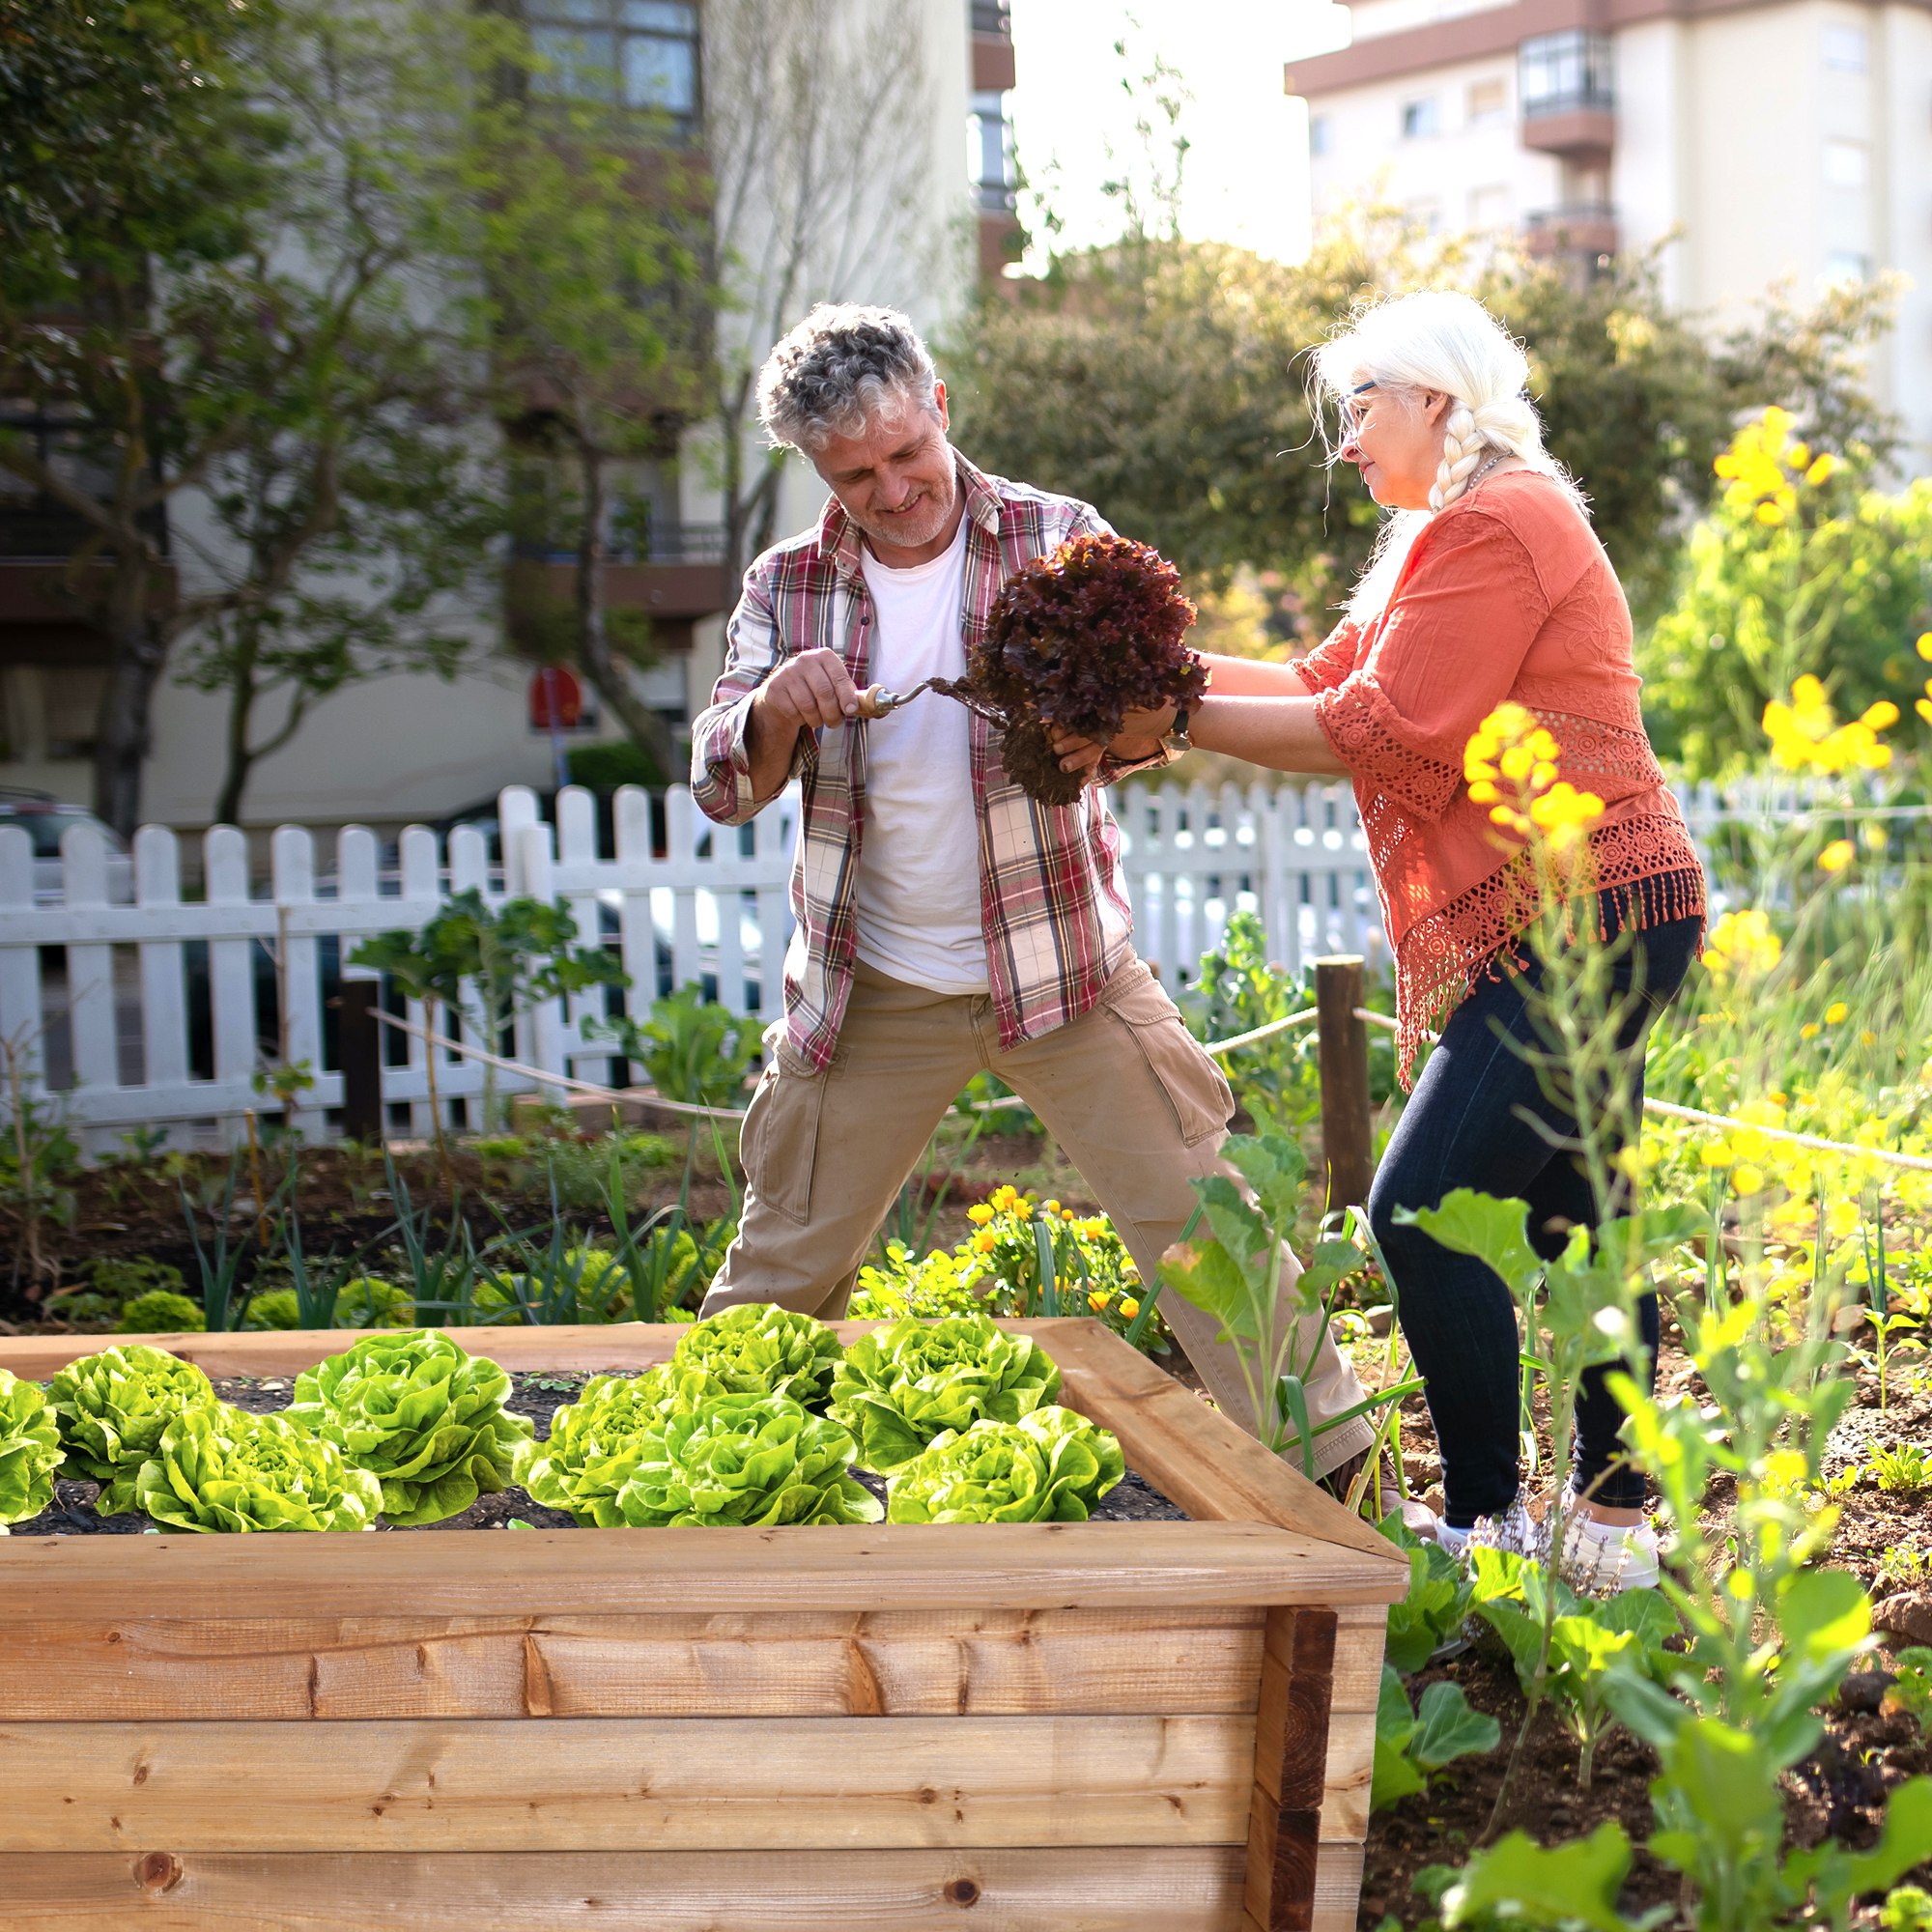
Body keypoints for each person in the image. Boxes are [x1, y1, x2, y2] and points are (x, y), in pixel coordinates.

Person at [1075, 290, 1705, 1582]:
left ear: (1432, 399)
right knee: (1588, 1217)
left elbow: (1389, 729)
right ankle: (1618, 1523)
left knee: (1417, 1215)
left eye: (1360, 409)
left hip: (1583, 920)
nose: (1346, 441)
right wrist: (1150, 673)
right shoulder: (1448, 533)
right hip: (1593, 911)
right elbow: (1324, 687)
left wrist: (1167, 719)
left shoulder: (1504, 519)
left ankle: (1490, 1520)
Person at [687, 301, 1376, 1480]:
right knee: (779, 1274)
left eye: (905, 454)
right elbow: (721, 782)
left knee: (1211, 1239)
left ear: (939, 407)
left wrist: (1107, 731)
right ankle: (696, 1489)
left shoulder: (1058, 535)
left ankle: (1340, 1487)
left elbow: (1160, 711)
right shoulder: (788, 583)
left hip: (1064, 968)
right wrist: (765, 714)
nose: (893, 489)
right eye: (856, 476)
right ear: (818, 468)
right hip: (870, 992)